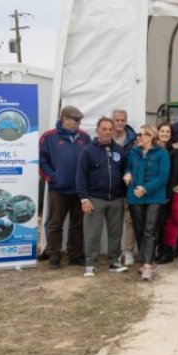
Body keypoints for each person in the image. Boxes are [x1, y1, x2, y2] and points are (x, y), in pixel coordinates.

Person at [39, 105, 90, 269]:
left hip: (79, 190)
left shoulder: (85, 137)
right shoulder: (48, 137)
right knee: (55, 223)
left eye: (80, 121)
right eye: (76, 120)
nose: (78, 124)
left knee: (77, 224)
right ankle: (54, 255)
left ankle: (75, 254)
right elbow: (42, 161)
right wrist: (52, 177)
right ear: (64, 119)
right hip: (58, 190)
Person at [76, 116, 129, 277]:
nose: (107, 132)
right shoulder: (88, 150)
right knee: (93, 233)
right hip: (95, 199)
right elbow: (81, 176)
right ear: (97, 130)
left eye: (109, 129)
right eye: (104, 129)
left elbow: (125, 171)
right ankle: (90, 264)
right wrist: (84, 198)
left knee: (116, 232)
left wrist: (125, 195)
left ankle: (114, 262)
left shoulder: (119, 150)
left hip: (116, 199)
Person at [124, 124, 170, 281]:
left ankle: (148, 265)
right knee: (139, 228)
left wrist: (146, 189)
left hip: (154, 196)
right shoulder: (134, 152)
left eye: (143, 134)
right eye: (139, 134)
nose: (139, 137)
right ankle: (145, 260)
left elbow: (163, 177)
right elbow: (128, 168)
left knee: (149, 230)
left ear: (151, 136)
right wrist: (127, 174)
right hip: (134, 196)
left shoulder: (162, 153)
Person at [155, 121, 178, 264]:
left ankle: (167, 252)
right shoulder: (154, 149)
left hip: (167, 193)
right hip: (155, 191)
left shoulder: (175, 151)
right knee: (157, 224)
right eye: (162, 131)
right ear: (158, 133)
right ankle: (160, 250)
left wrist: (168, 194)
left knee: (166, 224)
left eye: (168, 132)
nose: (165, 134)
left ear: (171, 134)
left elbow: (175, 174)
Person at [111, 108, 138, 267]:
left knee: (129, 220)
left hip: (128, 186)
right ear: (112, 121)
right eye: (117, 120)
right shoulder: (106, 137)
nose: (120, 123)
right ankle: (114, 252)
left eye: (123, 120)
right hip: (111, 186)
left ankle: (128, 251)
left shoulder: (134, 139)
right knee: (114, 220)